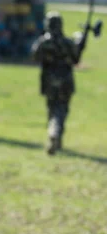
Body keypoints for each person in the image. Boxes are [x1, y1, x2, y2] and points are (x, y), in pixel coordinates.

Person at [31, 11, 81, 155]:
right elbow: (76, 60)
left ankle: (55, 135)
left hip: (49, 81)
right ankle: (55, 134)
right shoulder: (68, 42)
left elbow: (35, 57)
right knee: (62, 110)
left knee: (52, 108)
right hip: (66, 80)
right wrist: (79, 45)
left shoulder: (43, 42)